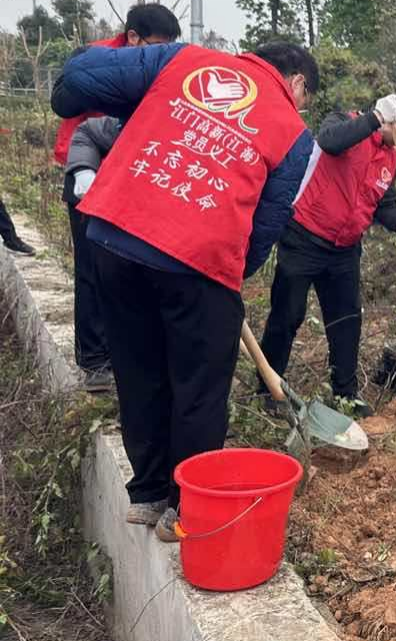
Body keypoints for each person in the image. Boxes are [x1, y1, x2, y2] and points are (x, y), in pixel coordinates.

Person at [51, 39, 317, 541]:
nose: (301, 106)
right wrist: (228, 278)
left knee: (138, 367)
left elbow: (81, 78)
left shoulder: (182, 60)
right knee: (199, 388)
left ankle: (148, 494)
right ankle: (184, 509)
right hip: (197, 257)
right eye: (305, 96)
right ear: (298, 81)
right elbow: (267, 223)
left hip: (115, 236)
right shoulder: (294, 133)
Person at [258, 92, 396, 416]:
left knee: (347, 322)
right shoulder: (346, 124)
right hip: (304, 238)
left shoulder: (391, 159)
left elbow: (384, 204)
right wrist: (374, 120)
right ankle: (268, 391)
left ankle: (345, 397)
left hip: (345, 250)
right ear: (391, 120)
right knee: (287, 316)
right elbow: (329, 142)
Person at [57, 4, 182, 391]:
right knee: (92, 271)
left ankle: (124, 354)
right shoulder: (96, 62)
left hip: (129, 178)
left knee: (126, 273)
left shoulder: (153, 68)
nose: (160, 56)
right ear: (132, 38)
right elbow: (65, 105)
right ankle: (94, 361)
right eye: (156, 46)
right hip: (87, 175)